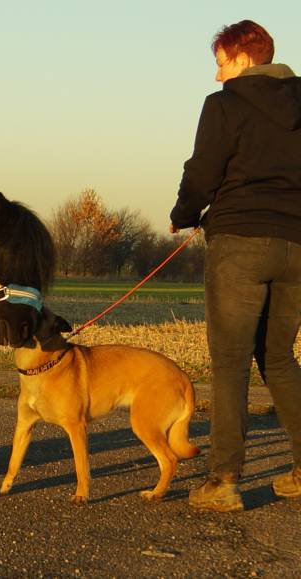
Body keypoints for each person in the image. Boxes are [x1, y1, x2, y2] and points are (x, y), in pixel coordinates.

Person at [169, 20, 301, 512]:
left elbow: (203, 171)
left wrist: (184, 214)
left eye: (221, 62)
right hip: (297, 245)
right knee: (279, 357)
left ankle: (223, 480)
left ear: (244, 59)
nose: (217, 74)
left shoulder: (224, 104)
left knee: (229, 363)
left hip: (241, 241)